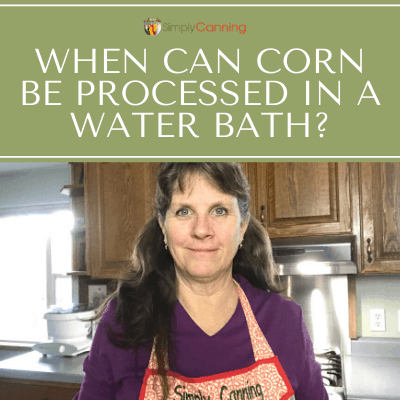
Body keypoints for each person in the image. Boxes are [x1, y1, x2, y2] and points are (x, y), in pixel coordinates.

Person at [74, 162, 328, 400]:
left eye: (219, 210)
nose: (201, 229)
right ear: (163, 226)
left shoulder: (283, 319)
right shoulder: (124, 320)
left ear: (242, 227)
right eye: (184, 211)